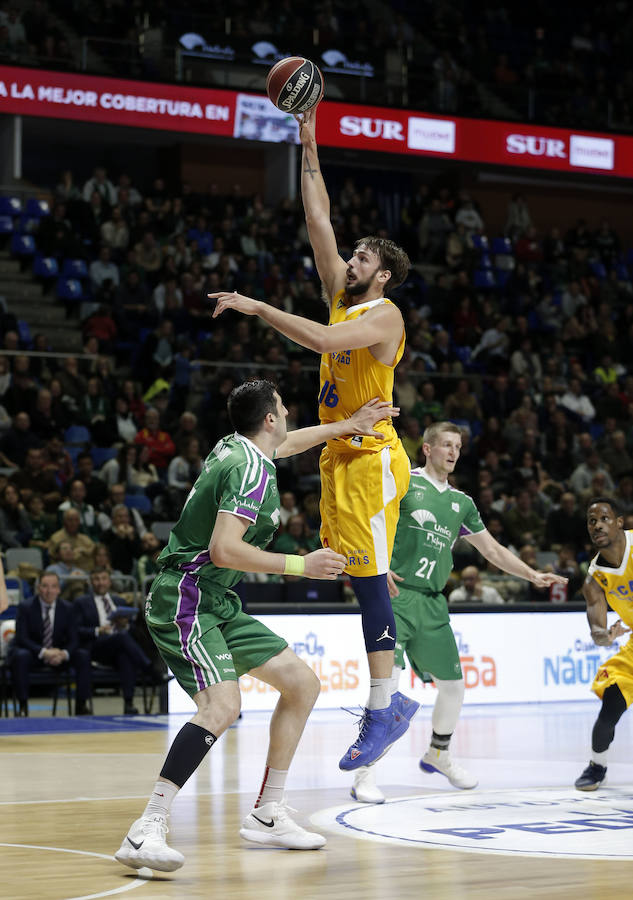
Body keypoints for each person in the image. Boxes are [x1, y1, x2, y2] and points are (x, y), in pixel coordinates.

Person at [115, 380, 397, 871]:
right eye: (284, 408)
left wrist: (347, 427)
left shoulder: (243, 448)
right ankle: (148, 826)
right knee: (221, 706)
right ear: (269, 418)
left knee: (301, 684)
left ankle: (268, 812)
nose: (288, 414)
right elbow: (226, 549)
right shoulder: (249, 471)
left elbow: (289, 443)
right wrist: (300, 565)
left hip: (216, 598)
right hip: (186, 595)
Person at [210, 105, 414, 772]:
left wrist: (257, 306)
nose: (348, 257)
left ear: (380, 274)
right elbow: (316, 216)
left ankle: (386, 705)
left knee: (365, 579)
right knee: (356, 572)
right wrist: (309, 139)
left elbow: (325, 342)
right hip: (339, 452)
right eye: (352, 254)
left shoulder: (382, 314)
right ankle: (391, 700)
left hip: (372, 456)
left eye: (361, 256)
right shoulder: (340, 291)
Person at [349, 421, 568, 803]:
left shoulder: (462, 503)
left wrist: (531, 574)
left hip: (434, 603)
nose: (453, 452)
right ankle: (364, 773)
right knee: (387, 686)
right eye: (446, 444)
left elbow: (493, 551)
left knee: (454, 686)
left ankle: (439, 753)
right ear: (428, 449)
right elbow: (367, 518)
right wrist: (375, 566)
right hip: (396, 597)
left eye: (458, 446)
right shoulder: (404, 481)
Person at [574, 498, 633, 791]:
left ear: (619, 522)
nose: (597, 525)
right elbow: (597, 631)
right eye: (591, 520)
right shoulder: (594, 580)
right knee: (610, 704)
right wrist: (605, 636)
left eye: (604, 518)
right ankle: (597, 766)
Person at [9, 572, 92, 716]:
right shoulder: (25, 607)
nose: (49, 591)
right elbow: (22, 638)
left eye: (53, 586)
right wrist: (44, 652)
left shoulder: (68, 608)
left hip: (58, 655)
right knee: (20, 656)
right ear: (38, 588)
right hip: (35, 654)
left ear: (59, 589)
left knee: (82, 655)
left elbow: (74, 639)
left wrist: (63, 653)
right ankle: (22, 706)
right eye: (45, 586)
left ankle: (81, 705)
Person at [73, 568, 153, 715]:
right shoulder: (81, 602)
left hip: (116, 648)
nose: (100, 583)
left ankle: (129, 703)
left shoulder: (119, 601)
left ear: (109, 581)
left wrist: (125, 625)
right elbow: (76, 630)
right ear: (91, 582)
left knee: (125, 654)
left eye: (103, 579)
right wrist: (98, 630)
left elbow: (132, 630)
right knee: (122, 638)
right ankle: (149, 669)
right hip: (95, 647)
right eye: (96, 579)